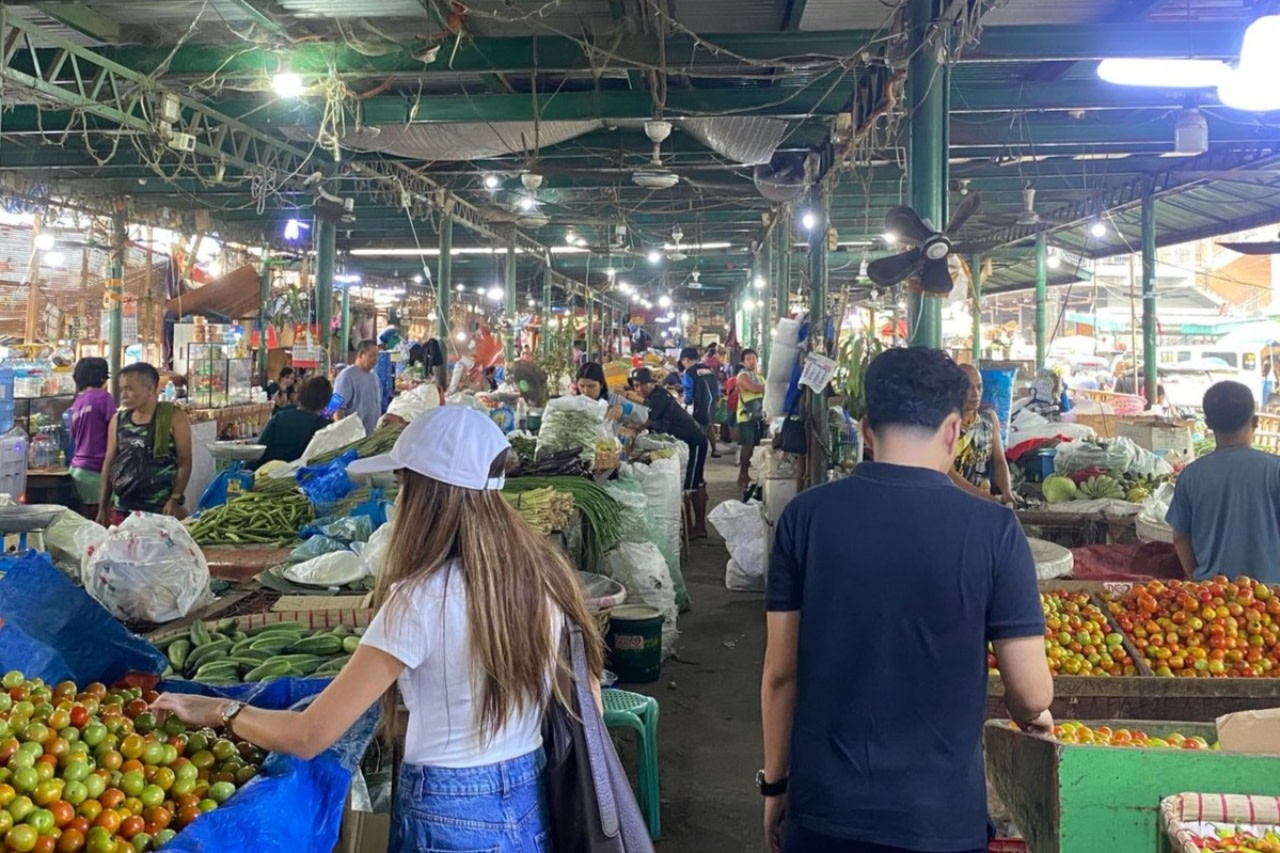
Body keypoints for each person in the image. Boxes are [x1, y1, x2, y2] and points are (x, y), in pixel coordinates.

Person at [151, 407, 605, 853]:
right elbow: (590, 702)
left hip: (448, 812)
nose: (397, 501)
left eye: (402, 486)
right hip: (529, 795)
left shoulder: (420, 599)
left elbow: (309, 735)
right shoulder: (547, 576)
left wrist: (220, 710)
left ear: (426, 496)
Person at [761, 347, 1052, 853]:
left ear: (866, 431)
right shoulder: (995, 530)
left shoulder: (805, 517)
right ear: (953, 431)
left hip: (825, 811)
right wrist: (1036, 715)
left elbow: (781, 673)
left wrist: (775, 785)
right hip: (940, 819)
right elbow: (1029, 692)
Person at [1167, 380, 1280, 583]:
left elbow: (1180, 537)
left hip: (1213, 593)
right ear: (1255, 421)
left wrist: (1195, 577)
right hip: (1270, 593)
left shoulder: (1190, 476)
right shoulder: (1275, 469)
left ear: (1208, 424)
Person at [97, 363, 193, 525]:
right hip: (123, 510)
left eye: (129, 389)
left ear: (150, 389)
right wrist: (102, 506)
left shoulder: (174, 417)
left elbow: (185, 461)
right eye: (121, 389)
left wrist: (175, 498)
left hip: (161, 510)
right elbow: (109, 463)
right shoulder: (118, 420)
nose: (123, 394)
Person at [631, 367, 710, 537]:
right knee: (691, 482)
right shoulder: (653, 397)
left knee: (691, 484)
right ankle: (692, 528)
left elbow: (649, 423)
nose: (639, 389)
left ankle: (695, 529)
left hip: (694, 441)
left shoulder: (659, 398)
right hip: (683, 443)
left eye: (643, 384)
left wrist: (633, 426)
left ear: (652, 383)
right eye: (636, 385)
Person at [949, 364, 1014, 503]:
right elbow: (949, 473)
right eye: (969, 387)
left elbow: (999, 462)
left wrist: (1007, 491)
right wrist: (988, 499)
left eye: (979, 387)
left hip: (984, 502)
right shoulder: (947, 425)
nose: (976, 393)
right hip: (953, 503)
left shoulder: (989, 419)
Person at [68, 357, 115, 520]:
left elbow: (73, 434)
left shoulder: (77, 402)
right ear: (102, 378)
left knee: (86, 523)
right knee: (103, 523)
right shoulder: (104, 398)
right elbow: (115, 429)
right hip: (97, 471)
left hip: (79, 471)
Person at [256, 376, 333, 468]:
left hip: (265, 471)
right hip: (299, 474)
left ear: (300, 395)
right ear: (326, 401)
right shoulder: (325, 427)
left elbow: (259, 450)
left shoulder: (279, 417)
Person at [576, 362, 647, 429]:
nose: (586, 390)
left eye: (591, 386)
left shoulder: (613, 401)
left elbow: (644, 417)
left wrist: (625, 408)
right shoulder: (574, 404)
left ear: (601, 384)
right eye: (581, 386)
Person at [334, 340, 384, 435]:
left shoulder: (374, 376)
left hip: (371, 434)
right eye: (372, 356)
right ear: (361, 355)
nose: (376, 359)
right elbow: (336, 408)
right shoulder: (346, 376)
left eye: (377, 356)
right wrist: (342, 434)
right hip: (354, 436)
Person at [680, 346, 722, 458]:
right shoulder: (708, 369)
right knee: (709, 425)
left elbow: (688, 390)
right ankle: (714, 449)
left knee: (697, 428)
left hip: (698, 405)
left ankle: (697, 452)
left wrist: (685, 401)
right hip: (711, 403)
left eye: (683, 361)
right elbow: (717, 386)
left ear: (686, 360)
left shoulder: (689, 372)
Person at [736, 349, 767, 491]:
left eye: (753, 358)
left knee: (754, 445)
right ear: (743, 362)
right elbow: (753, 388)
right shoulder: (742, 376)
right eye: (748, 359)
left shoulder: (759, 377)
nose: (751, 361)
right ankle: (743, 474)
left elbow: (763, 390)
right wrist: (767, 388)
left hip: (758, 415)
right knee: (747, 445)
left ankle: (745, 475)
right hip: (745, 416)